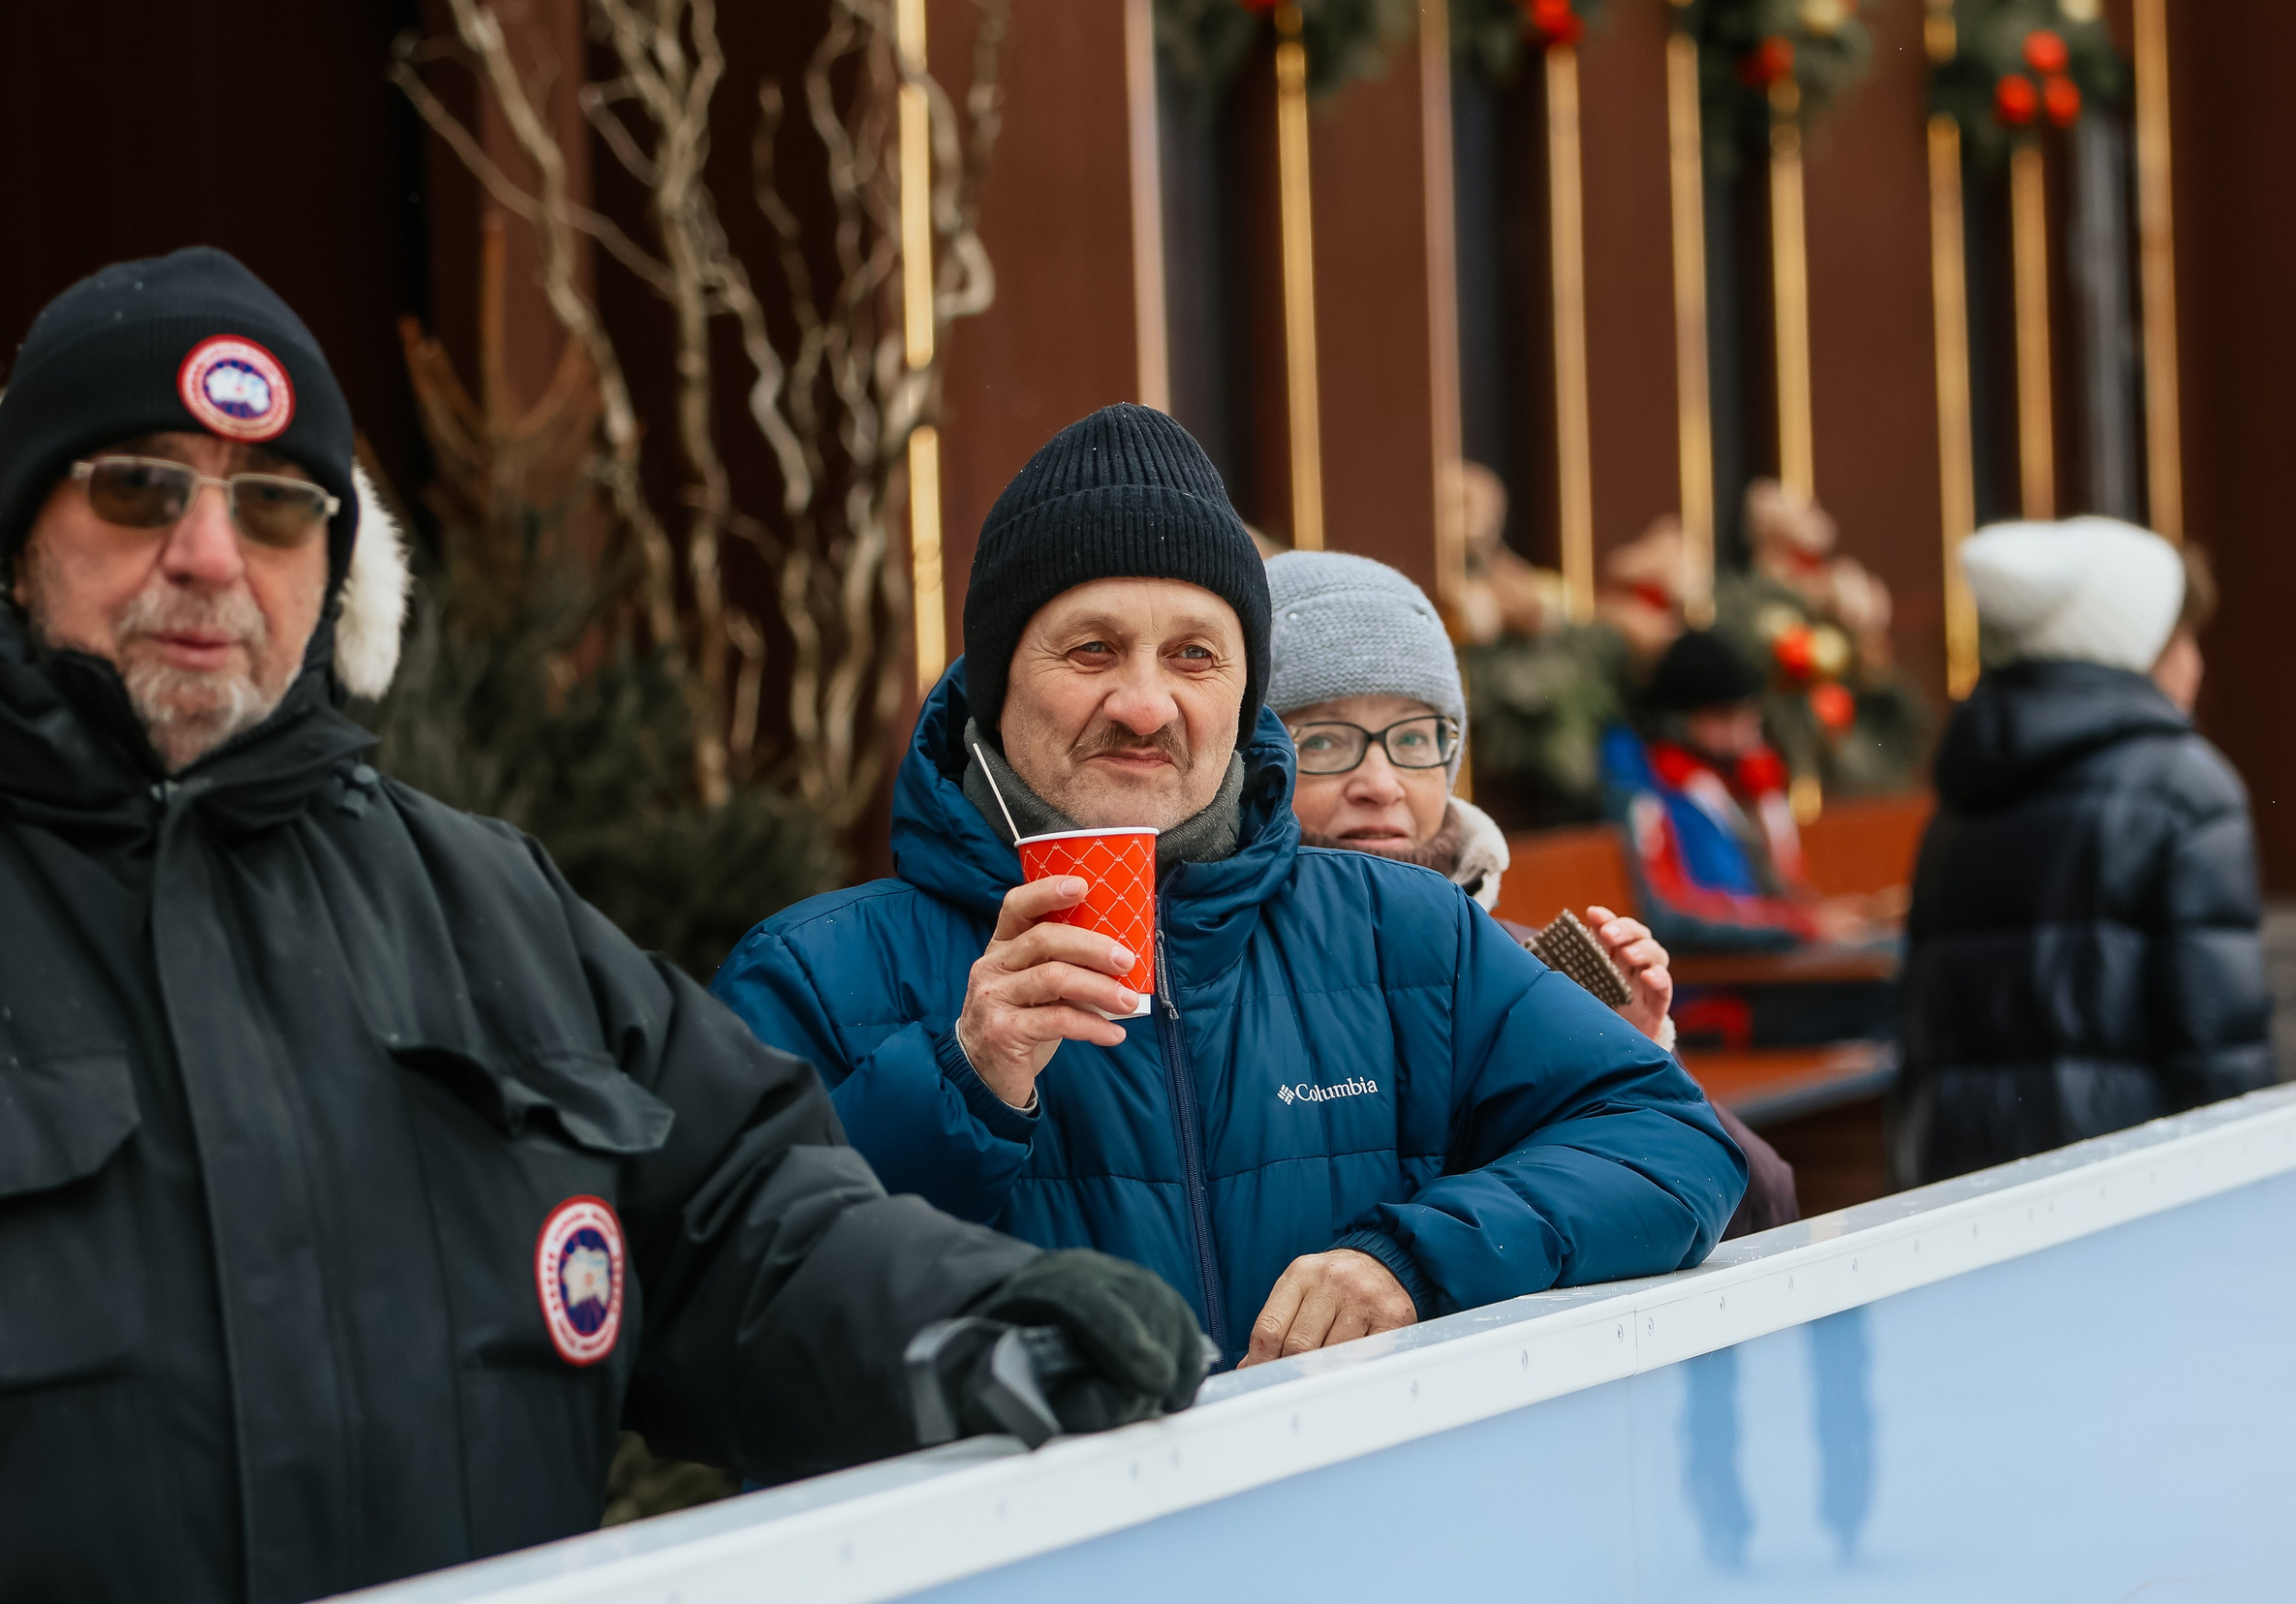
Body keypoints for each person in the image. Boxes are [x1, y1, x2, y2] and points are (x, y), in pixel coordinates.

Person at [0, 252, 1202, 1604]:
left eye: (279, 507)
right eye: (139, 487)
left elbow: (741, 1220)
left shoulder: (481, 900)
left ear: (337, 574)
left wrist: (978, 1318)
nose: (208, 554)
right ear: (3, 535)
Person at [710, 404, 1746, 1372]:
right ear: (995, 681)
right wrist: (960, 1079)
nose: (1146, 704)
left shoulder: (1402, 933)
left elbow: (1670, 1143)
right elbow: (718, 1329)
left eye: (1195, 655)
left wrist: (1412, 1260)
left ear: (1241, 692)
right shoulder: (812, 973)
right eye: (1092, 648)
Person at [1264, 549, 1797, 1236]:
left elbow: (1760, 1206)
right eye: (1328, 741)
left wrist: (1631, 1059)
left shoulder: (1518, 966)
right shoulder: (1206, 987)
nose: (1383, 782)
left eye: (1414, 737)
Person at [1896, 518, 2271, 1185]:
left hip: (1965, 1182)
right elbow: (2220, 1050)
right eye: (2182, 637)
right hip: (2129, 1189)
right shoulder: (2182, 789)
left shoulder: (1965, 789)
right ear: (2139, 648)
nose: (2197, 661)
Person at [1599, 628, 1878, 953]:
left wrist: (1817, 913)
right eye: (1723, 716)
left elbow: (1773, 885)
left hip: (1766, 960)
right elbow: (1668, 913)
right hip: (1716, 979)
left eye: (1749, 714)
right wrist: (1799, 924)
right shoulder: (1649, 785)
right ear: (1675, 720)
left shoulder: (1746, 777)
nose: (1742, 731)